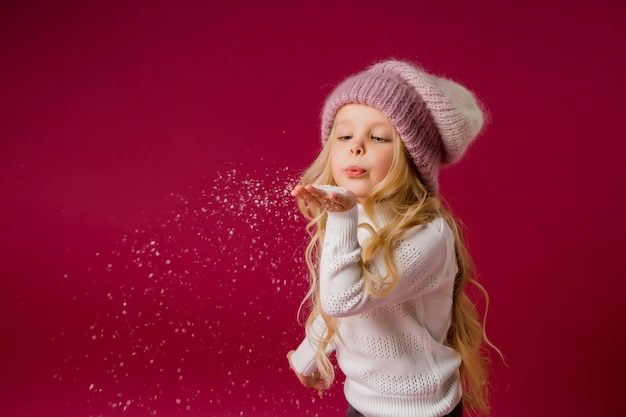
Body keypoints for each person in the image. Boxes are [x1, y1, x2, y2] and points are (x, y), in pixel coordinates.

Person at [286, 59, 500, 417]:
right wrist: (310, 355)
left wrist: (341, 217)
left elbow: (344, 300)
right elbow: (337, 309)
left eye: (378, 137)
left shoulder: (427, 235)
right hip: (363, 400)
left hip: (419, 409)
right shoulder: (354, 216)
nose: (356, 147)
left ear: (413, 159)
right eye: (344, 135)